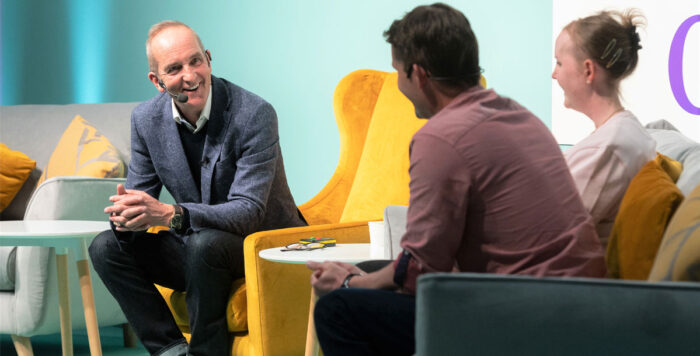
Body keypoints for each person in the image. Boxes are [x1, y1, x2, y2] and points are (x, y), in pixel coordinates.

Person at [307, 4, 606, 355]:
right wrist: (364, 277)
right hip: (582, 299)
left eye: (398, 73)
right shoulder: (518, 115)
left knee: (336, 310)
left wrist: (349, 281)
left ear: (418, 74)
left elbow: (420, 274)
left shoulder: (439, 138)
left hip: (527, 315)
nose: (400, 84)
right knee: (371, 273)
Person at [89, 21, 306, 356]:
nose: (190, 76)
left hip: (261, 243)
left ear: (208, 58)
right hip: (197, 245)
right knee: (105, 247)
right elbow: (139, 196)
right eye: (174, 69)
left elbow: (249, 211)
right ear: (157, 82)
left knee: (204, 244)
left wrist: (169, 214)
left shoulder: (253, 114)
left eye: (195, 61)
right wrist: (125, 217)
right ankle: (171, 351)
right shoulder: (146, 119)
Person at [552, 9, 656, 248]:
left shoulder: (609, 148)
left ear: (588, 71)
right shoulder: (620, 133)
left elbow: (551, 233)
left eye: (559, 63)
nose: (554, 74)